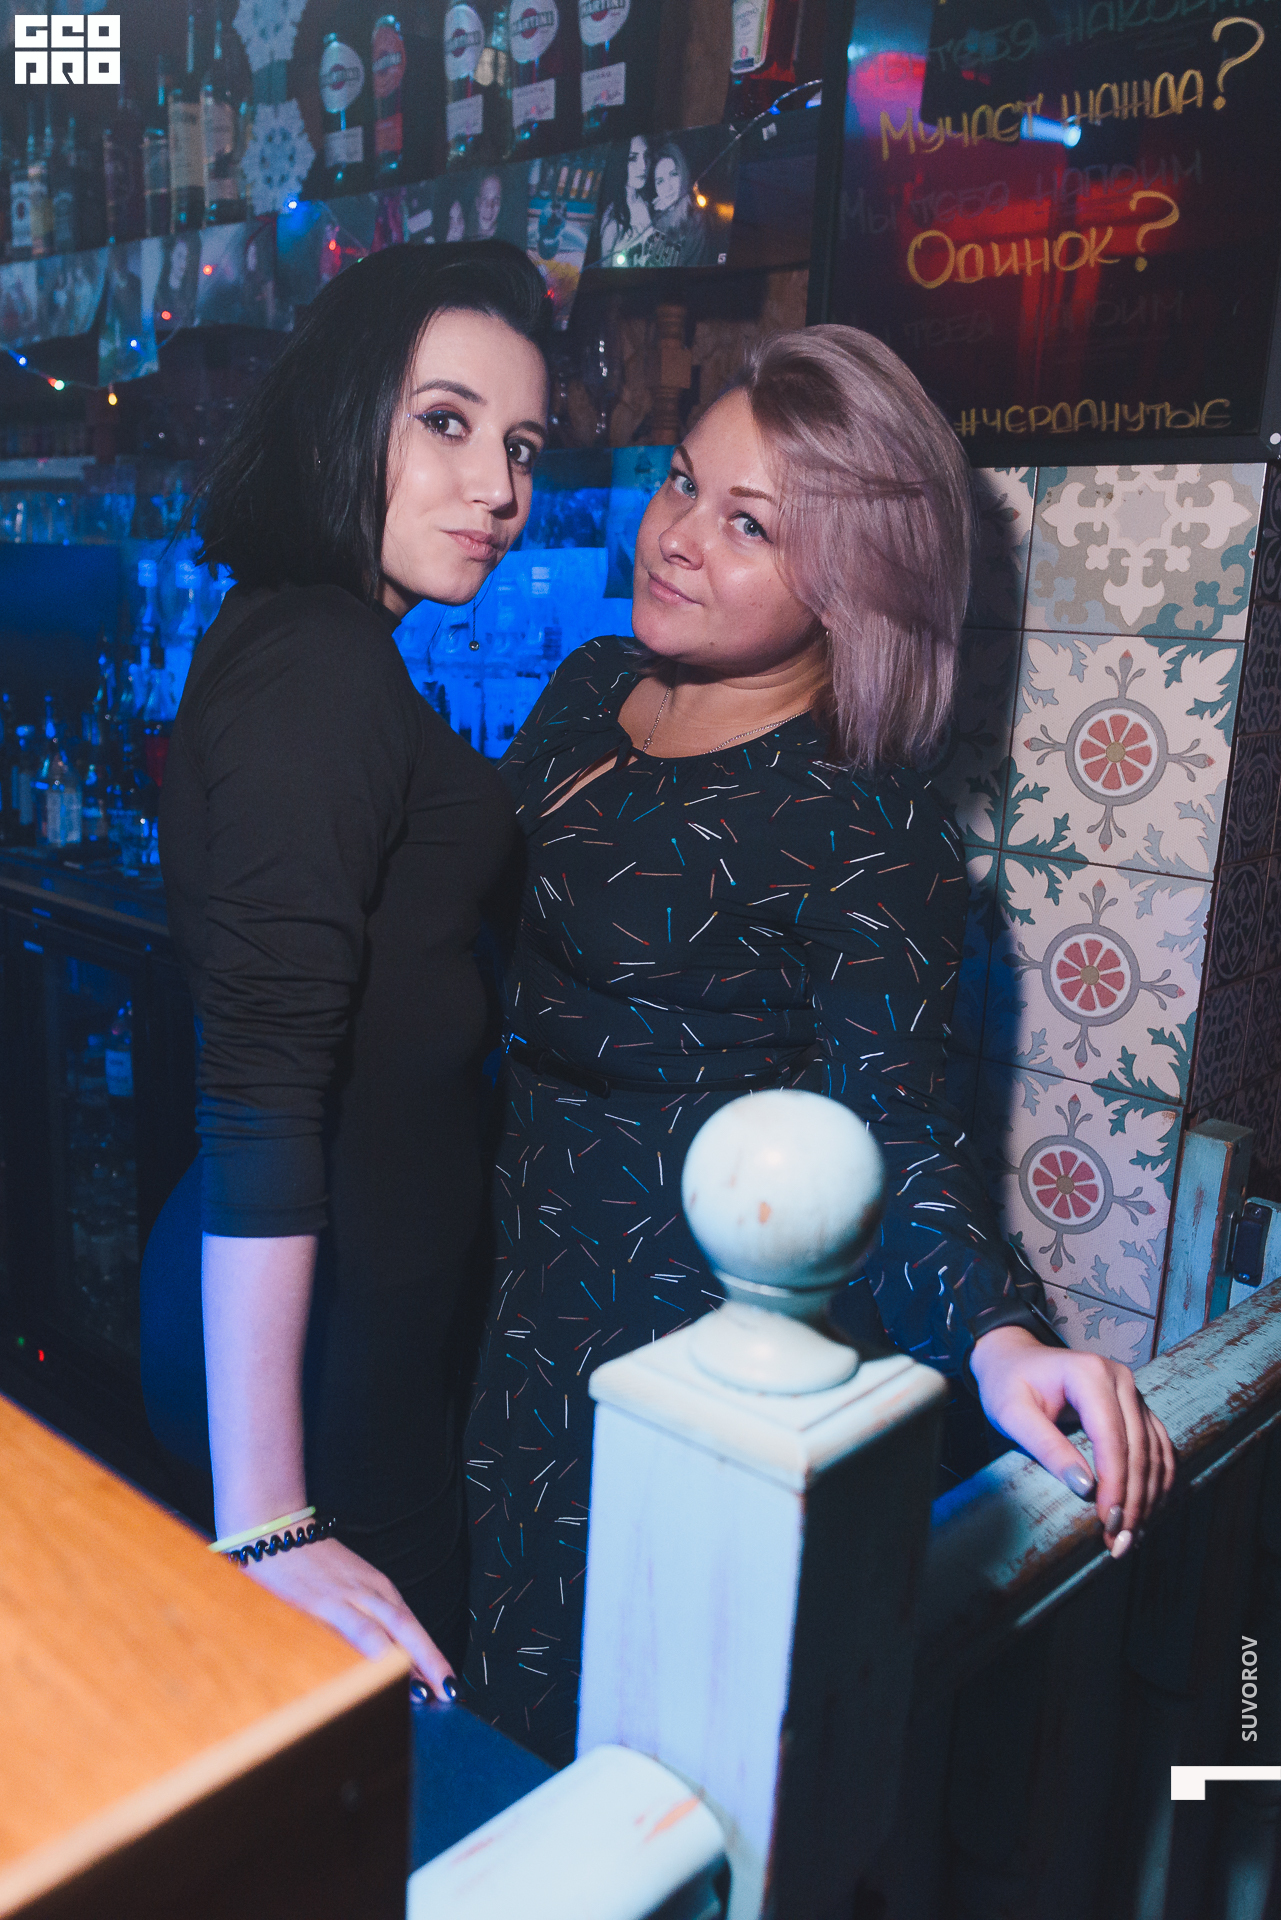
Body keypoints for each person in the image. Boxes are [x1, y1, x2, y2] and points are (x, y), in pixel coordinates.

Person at [462, 325, 1176, 1761]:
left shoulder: (866, 824)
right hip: (505, 1293)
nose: (678, 536)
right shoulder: (588, 686)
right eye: (683, 482)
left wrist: (1000, 1340)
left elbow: (892, 1137)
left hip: (680, 1345)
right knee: (480, 1721)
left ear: (854, 584)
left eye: (750, 526)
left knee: (620, 1760)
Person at [140, 241, 550, 1697]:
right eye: (445, 423)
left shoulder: (320, 642)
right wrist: (271, 1519)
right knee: (385, 1780)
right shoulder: (319, 661)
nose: (497, 488)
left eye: (520, 445)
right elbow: (261, 1088)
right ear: (340, 413)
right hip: (321, 1374)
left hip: (345, 1333)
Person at [650, 140, 709, 268]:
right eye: (660, 181)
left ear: (683, 174)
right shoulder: (655, 218)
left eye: (673, 174)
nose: (668, 187)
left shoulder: (696, 219)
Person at [599, 134, 656, 266]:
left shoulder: (650, 202)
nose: (643, 166)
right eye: (632, 158)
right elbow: (604, 269)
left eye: (646, 156)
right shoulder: (612, 219)